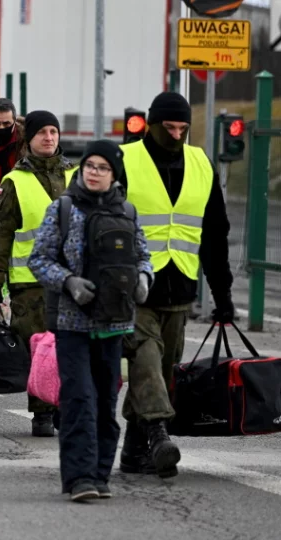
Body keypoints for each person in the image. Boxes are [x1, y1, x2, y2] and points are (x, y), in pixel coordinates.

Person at [28, 140, 153, 502]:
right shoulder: (62, 209)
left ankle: (100, 475)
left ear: (114, 174)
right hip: (72, 322)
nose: (94, 172)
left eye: (102, 167)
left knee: (104, 403)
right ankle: (79, 478)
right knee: (79, 399)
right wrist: (67, 282)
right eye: (90, 166)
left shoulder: (127, 212)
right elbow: (40, 259)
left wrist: (145, 278)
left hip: (114, 322)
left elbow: (143, 255)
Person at [118, 91, 234, 479]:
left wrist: (222, 293)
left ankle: (134, 452)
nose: (176, 134)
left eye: (183, 128)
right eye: (168, 127)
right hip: (134, 287)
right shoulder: (126, 160)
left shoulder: (201, 164)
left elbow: (215, 234)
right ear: (150, 125)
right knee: (146, 358)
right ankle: (158, 434)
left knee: (162, 370)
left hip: (180, 287)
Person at [0, 110, 75, 436]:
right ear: (29, 139)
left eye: (53, 132)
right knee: (39, 348)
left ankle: (65, 407)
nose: (49, 138)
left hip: (72, 282)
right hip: (29, 283)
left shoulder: (77, 176)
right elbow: (0, 237)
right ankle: (41, 411)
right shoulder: (14, 182)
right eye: (42, 133)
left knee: (71, 346)